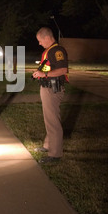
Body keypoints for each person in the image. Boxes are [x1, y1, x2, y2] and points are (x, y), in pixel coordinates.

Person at [32, 27, 68, 164]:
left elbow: (63, 69)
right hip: (48, 88)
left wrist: (44, 74)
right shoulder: (50, 51)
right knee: (49, 119)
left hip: (52, 90)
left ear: (47, 38)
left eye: (40, 41)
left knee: (53, 121)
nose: (39, 43)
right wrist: (40, 73)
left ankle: (55, 154)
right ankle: (48, 145)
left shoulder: (57, 51)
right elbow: (50, 67)